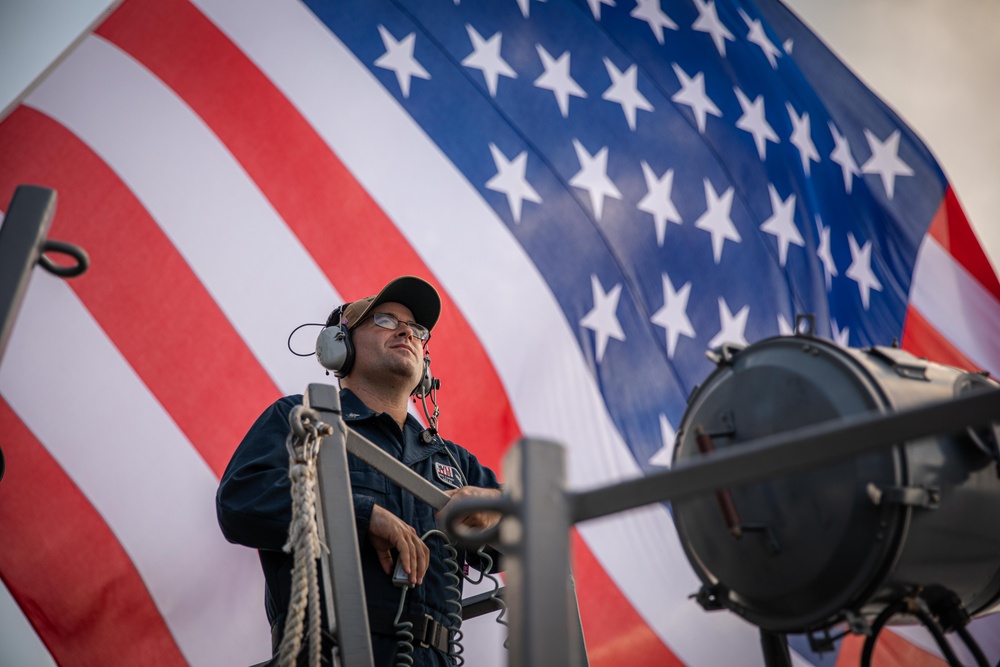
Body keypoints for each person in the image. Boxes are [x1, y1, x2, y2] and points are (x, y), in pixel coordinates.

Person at [217, 275, 502, 666]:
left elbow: (539, 537)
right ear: (339, 348)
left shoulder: (453, 462)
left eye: (417, 329)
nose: (406, 330)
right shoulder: (301, 421)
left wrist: (495, 508)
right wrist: (361, 515)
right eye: (384, 320)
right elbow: (241, 501)